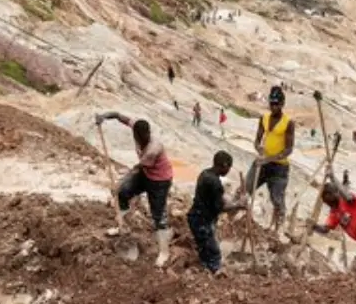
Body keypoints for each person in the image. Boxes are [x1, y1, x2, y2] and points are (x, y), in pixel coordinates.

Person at [96, 111, 175, 266]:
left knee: (158, 215)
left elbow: (136, 168)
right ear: (135, 134)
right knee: (122, 193)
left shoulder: (153, 148)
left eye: (144, 136)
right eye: (139, 137)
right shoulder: (136, 128)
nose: (141, 139)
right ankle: (121, 226)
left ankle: (164, 252)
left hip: (160, 181)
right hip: (146, 173)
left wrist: (119, 181)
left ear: (148, 133)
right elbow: (118, 115)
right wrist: (103, 117)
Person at [187, 151, 246, 273]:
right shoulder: (215, 183)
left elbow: (214, 198)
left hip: (196, 216)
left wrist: (234, 201)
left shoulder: (205, 173)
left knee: (204, 247)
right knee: (214, 253)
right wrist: (239, 205)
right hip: (202, 221)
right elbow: (220, 208)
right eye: (229, 167)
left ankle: (204, 268)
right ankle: (214, 275)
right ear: (224, 165)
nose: (229, 170)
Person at [249, 86, 295, 234]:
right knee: (246, 189)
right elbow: (257, 140)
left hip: (279, 167)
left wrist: (269, 159)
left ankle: (279, 229)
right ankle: (237, 219)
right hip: (263, 163)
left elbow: (288, 150)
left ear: (282, 104)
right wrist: (259, 149)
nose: (274, 107)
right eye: (272, 103)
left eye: (277, 104)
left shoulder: (288, 123)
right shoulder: (264, 118)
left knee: (277, 199)